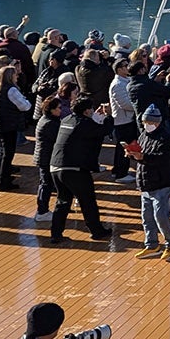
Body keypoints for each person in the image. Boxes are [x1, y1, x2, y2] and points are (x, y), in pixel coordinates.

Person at [47, 96, 113, 244]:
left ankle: (56, 234)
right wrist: (109, 115)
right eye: (91, 109)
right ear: (86, 111)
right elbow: (105, 130)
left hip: (56, 166)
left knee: (63, 201)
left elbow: (87, 129)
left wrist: (96, 116)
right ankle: (97, 231)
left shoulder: (67, 120)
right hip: (74, 169)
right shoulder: (84, 124)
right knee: (87, 200)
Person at [134, 103, 170, 260]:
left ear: (157, 122)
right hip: (146, 182)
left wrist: (142, 157)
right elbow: (142, 153)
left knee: (161, 215)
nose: (147, 125)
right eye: (145, 122)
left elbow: (161, 159)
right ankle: (151, 244)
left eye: (150, 122)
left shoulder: (166, 138)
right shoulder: (143, 135)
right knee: (146, 216)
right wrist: (134, 154)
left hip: (161, 182)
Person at [0, 60, 33, 191]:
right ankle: (4, 181)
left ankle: (1, 178)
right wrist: (26, 100)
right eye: (15, 74)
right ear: (10, 76)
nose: (17, 76)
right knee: (7, 153)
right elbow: (25, 106)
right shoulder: (11, 90)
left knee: (2, 152)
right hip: (7, 124)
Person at [107, 59, 138, 183]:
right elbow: (124, 104)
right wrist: (137, 105)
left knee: (123, 147)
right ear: (119, 69)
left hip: (126, 119)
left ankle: (118, 171)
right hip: (123, 121)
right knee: (124, 148)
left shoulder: (124, 81)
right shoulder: (118, 84)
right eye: (125, 65)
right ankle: (121, 174)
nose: (128, 67)